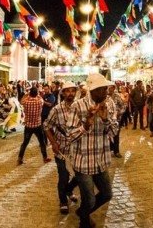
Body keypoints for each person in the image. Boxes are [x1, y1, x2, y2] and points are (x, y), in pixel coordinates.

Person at [66, 73, 118, 228]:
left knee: (107, 194)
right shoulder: (78, 106)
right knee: (89, 200)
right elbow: (70, 135)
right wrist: (86, 125)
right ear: (93, 91)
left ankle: (82, 213)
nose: (106, 92)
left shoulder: (108, 105)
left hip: (101, 160)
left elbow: (114, 132)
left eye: (106, 88)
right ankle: (84, 221)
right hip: (83, 162)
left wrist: (105, 119)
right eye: (102, 89)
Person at [43, 81, 80, 214]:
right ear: (63, 93)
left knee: (79, 176)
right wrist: (53, 143)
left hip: (77, 150)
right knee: (63, 176)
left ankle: (69, 190)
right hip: (61, 150)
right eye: (67, 91)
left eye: (73, 91)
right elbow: (46, 126)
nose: (70, 93)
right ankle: (63, 201)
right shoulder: (56, 109)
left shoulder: (80, 107)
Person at [18, 87, 51, 165]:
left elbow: (21, 101)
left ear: (30, 93)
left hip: (28, 126)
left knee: (25, 143)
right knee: (42, 142)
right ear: (37, 94)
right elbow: (40, 97)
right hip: (38, 125)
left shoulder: (26, 102)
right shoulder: (40, 101)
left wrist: (26, 94)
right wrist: (37, 94)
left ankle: (20, 158)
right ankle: (45, 158)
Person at [109, 84, 125, 157]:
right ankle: (109, 149)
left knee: (116, 135)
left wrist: (119, 113)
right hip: (107, 120)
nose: (108, 89)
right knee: (107, 136)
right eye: (107, 87)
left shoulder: (117, 96)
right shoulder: (105, 97)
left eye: (110, 87)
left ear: (113, 88)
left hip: (116, 120)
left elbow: (123, 106)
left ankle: (116, 151)